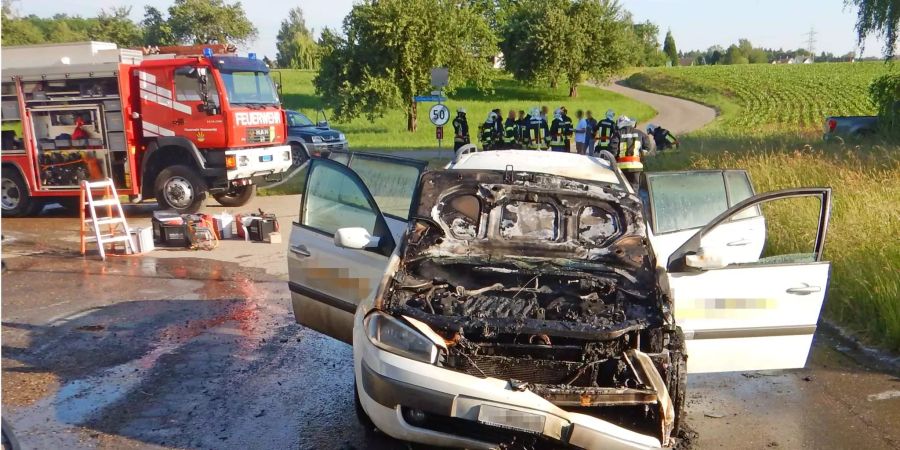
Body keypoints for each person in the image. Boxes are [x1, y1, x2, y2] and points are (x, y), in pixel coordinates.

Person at [611, 115, 646, 185]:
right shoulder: (640, 133)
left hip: (622, 166)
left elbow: (613, 149)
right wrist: (642, 156)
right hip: (636, 166)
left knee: (623, 188)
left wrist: (613, 161)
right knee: (634, 189)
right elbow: (647, 146)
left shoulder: (618, 133)